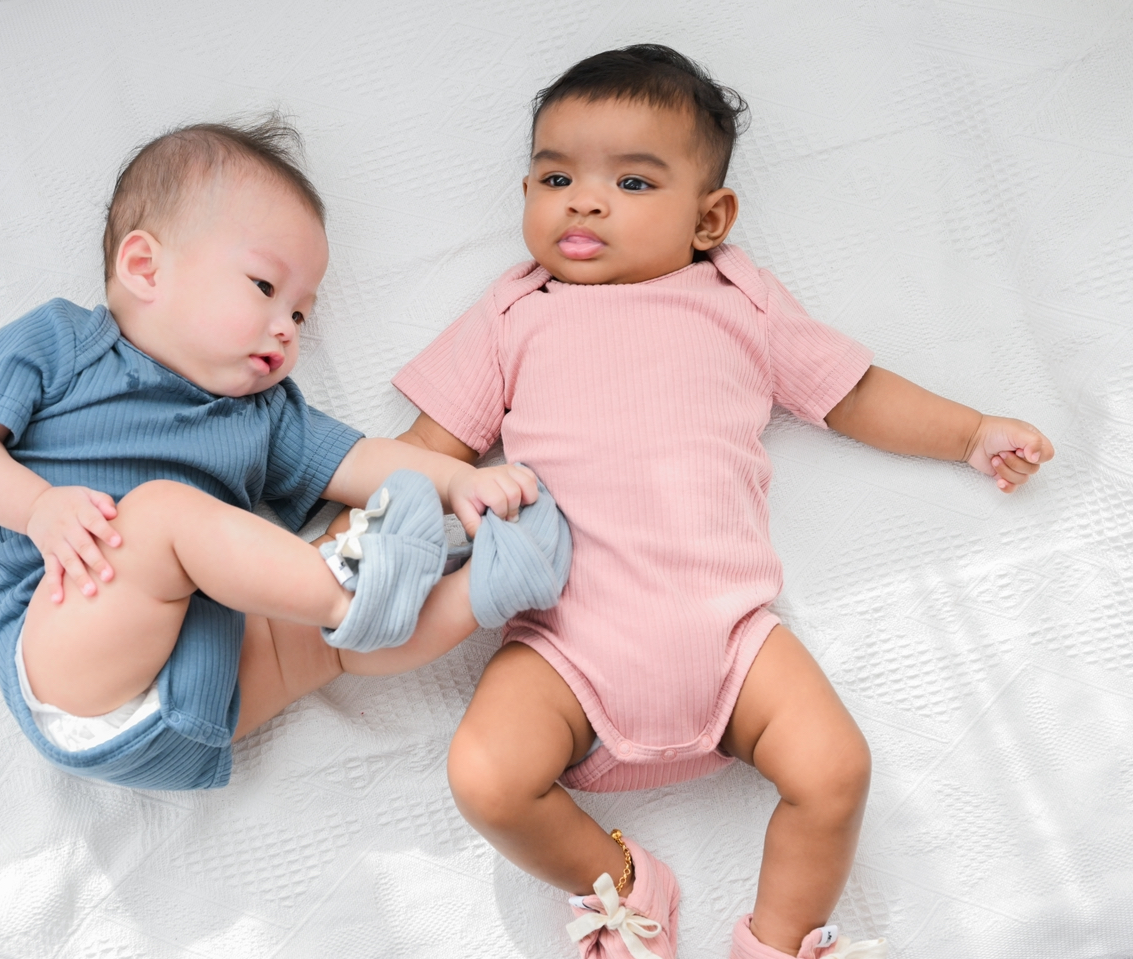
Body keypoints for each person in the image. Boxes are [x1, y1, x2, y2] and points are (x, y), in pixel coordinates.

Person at [378, 45, 1054, 958]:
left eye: (631, 180)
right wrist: (348, 535)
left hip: (730, 637)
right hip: (563, 640)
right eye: (555, 174)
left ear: (711, 217)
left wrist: (970, 431)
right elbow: (429, 449)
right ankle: (621, 886)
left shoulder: (741, 300)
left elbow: (850, 392)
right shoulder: (512, 312)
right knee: (487, 778)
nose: (583, 199)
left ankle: (775, 940)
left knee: (835, 769)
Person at [0, 117, 563, 791]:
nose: (286, 328)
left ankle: (489, 588)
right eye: (264, 287)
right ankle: (345, 596)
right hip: (67, 649)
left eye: (302, 314)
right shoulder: (66, 343)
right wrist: (38, 506)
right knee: (167, 516)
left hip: (203, 705)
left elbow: (361, 461)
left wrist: (462, 485)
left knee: (326, 652)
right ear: (145, 267)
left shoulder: (263, 412)